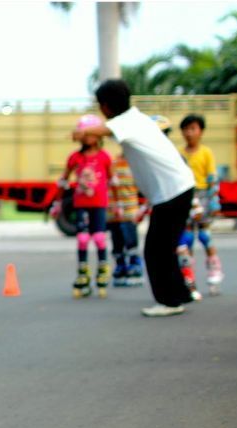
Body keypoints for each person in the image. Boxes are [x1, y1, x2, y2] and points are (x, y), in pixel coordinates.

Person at [74, 79, 195, 317]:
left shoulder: (126, 122)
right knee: (165, 247)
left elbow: (102, 131)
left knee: (155, 249)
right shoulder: (135, 119)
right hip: (176, 189)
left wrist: (81, 131)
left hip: (172, 192)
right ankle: (179, 295)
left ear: (106, 106)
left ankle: (169, 302)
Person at [59, 115, 113, 298]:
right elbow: (65, 177)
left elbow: (111, 180)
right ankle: (83, 274)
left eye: (92, 134)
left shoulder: (104, 157)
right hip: (81, 203)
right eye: (85, 134)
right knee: (82, 238)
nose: (89, 138)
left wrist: (116, 202)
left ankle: (102, 270)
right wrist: (61, 189)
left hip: (99, 204)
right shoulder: (75, 157)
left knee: (99, 237)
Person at [178, 114, 224, 297]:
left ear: (201, 132)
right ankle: (188, 278)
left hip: (203, 195)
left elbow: (212, 177)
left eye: (193, 129)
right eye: (186, 129)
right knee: (187, 239)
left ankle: (214, 272)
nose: (189, 133)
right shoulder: (180, 153)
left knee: (205, 236)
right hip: (187, 195)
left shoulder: (206, 152)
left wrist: (214, 200)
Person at [107, 150, 144, 287]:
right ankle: (120, 266)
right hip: (113, 212)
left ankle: (134, 265)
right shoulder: (112, 163)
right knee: (117, 241)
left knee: (130, 240)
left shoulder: (136, 164)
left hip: (129, 210)